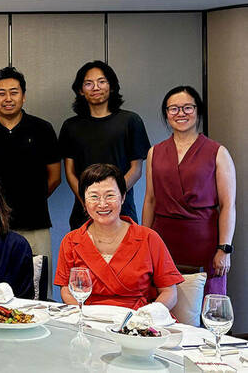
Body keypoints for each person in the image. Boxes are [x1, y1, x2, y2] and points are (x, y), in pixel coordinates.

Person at [143, 86, 235, 296]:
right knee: (163, 306)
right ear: (166, 113)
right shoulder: (154, 152)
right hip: (163, 241)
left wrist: (225, 248)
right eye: (173, 108)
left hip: (205, 243)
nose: (181, 113)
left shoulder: (218, 152)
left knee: (207, 306)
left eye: (187, 107)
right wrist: (143, 242)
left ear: (198, 111)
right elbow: (150, 200)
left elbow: (228, 204)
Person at [0, 67, 60, 271]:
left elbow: (54, 177)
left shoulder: (43, 130)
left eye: (14, 92)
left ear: (23, 96)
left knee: (38, 286)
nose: (8, 98)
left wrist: (32, 200)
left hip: (35, 223)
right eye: (1, 93)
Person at [55, 164, 183, 310]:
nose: (102, 204)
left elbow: (169, 292)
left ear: (122, 197)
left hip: (137, 321)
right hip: (89, 320)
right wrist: (84, 315)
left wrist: (148, 315)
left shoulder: (149, 238)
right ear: (84, 201)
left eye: (110, 195)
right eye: (94, 197)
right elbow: (66, 290)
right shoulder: (71, 241)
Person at [58, 60, 150, 229]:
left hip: (123, 210)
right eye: (88, 83)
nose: (96, 87)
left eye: (102, 81)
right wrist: (87, 200)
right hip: (83, 212)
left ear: (112, 86)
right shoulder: (71, 126)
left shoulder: (131, 121)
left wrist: (112, 197)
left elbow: (136, 169)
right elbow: (70, 172)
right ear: (80, 90)